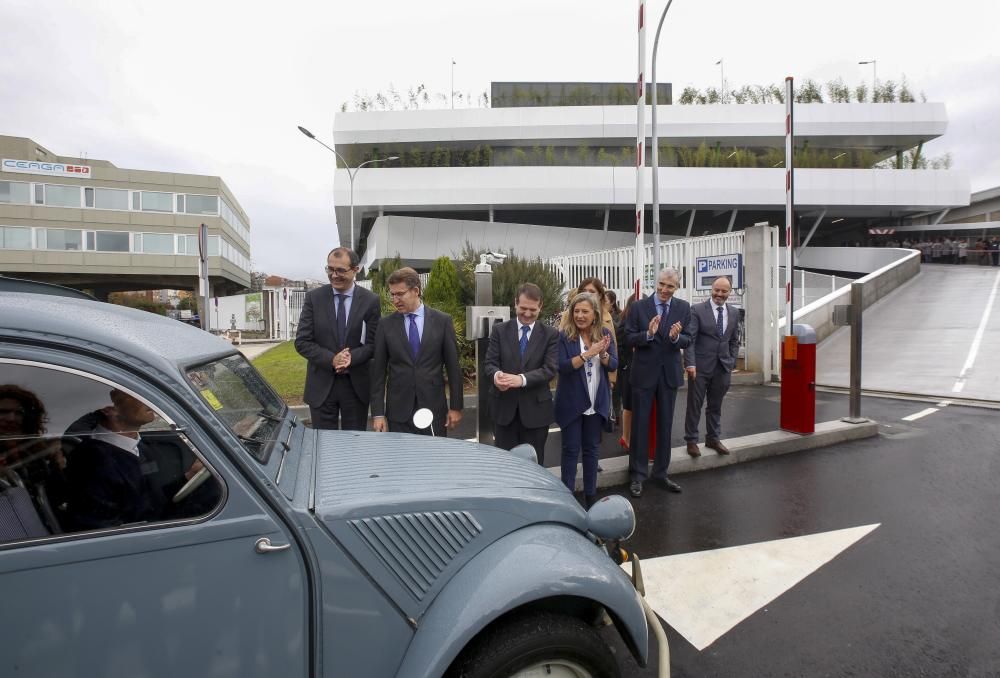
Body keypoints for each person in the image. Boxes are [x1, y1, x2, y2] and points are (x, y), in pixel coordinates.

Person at [63, 390, 198, 531]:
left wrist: (189, 476)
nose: (148, 399)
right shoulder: (92, 463)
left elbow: (151, 500)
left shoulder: (136, 445)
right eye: (136, 394)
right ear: (109, 409)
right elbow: (101, 529)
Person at [295, 247, 381, 430]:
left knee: (353, 447)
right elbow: (302, 342)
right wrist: (331, 359)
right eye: (330, 269)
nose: (334, 275)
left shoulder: (370, 301)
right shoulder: (314, 298)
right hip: (321, 387)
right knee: (323, 448)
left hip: (355, 387)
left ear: (356, 270)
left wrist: (352, 358)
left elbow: (374, 344)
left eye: (341, 270)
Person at [370, 267, 463, 435]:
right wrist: (377, 413)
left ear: (416, 291)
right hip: (398, 411)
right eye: (392, 294)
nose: (395, 299)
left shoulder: (442, 321)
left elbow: (453, 368)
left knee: (434, 459)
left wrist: (456, 407)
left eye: (400, 294)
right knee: (403, 460)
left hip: (433, 408)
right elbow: (378, 373)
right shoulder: (385, 325)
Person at [624, 268, 691, 498]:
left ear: (676, 288)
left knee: (665, 425)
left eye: (669, 286)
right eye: (661, 284)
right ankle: (637, 475)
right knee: (640, 425)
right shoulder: (638, 307)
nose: (664, 290)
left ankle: (661, 473)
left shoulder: (683, 307)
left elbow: (688, 338)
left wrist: (675, 338)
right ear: (656, 283)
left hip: (669, 375)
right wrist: (649, 334)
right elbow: (628, 337)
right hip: (643, 375)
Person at [554, 293, 617, 509]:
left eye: (585, 311)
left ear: (594, 314)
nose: (580, 315)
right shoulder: (564, 336)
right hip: (571, 403)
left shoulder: (605, 333)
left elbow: (614, 364)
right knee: (570, 450)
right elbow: (561, 366)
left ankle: (591, 496)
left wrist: (604, 355)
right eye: (576, 311)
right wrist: (587, 354)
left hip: (595, 402)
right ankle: (567, 498)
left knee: (591, 451)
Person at [484, 283, 559, 464]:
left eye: (532, 309)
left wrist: (522, 380)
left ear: (540, 306)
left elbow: (550, 369)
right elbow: (490, 363)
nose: (527, 313)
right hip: (504, 411)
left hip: (536, 413)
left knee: (534, 465)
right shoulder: (500, 331)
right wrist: (497, 376)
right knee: (505, 464)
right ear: (515, 303)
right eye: (523, 308)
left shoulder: (550, 334)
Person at [683, 276, 742, 457]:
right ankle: (692, 440)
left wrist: (731, 361)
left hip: (723, 367)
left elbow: (734, 340)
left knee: (716, 405)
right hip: (700, 367)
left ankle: (713, 438)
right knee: (695, 404)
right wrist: (690, 363)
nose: (719, 294)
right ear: (711, 289)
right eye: (716, 290)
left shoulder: (734, 312)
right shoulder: (697, 310)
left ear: (729, 293)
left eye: (724, 291)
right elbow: (690, 341)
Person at [615, 296, 638, 453]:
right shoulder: (624, 325)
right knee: (629, 405)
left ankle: (630, 437)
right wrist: (624, 366)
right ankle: (626, 437)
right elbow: (620, 348)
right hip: (628, 371)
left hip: (639, 370)